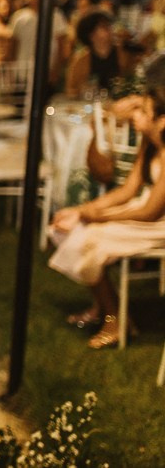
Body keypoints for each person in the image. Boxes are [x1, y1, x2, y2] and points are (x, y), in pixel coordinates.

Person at [48, 53, 165, 349]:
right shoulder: (150, 144)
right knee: (65, 227)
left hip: (156, 224)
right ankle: (104, 307)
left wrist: (94, 218)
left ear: (161, 120)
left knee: (90, 240)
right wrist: (82, 210)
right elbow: (127, 191)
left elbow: (151, 211)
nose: (135, 117)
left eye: (143, 112)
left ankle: (116, 320)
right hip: (141, 211)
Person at [64, 10, 136, 99]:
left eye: (109, 25)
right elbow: (70, 90)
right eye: (104, 27)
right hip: (90, 107)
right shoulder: (81, 60)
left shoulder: (123, 54)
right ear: (91, 34)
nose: (109, 29)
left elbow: (133, 83)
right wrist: (82, 91)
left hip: (119, 105)